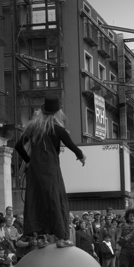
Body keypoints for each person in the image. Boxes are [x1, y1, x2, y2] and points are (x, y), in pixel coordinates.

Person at [14, 96, 85, 248]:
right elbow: (72, 145)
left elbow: (18, 146)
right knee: (56, 200)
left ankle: (40, 237)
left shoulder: (33, 127)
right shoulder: (57, 128)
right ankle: (61, 238)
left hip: (35, 170)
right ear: (57, 112)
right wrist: (81, 156)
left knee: (37, 201)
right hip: (50, 169)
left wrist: (29, 161)